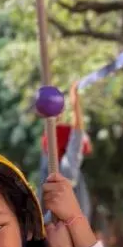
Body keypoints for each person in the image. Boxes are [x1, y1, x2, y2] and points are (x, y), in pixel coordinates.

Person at [37, 82, 93, 223]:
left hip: (60, 218)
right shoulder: (65, 166)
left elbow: (75, 135)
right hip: (65, 222)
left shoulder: (50, 163)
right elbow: (77, 134)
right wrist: (75, 102)